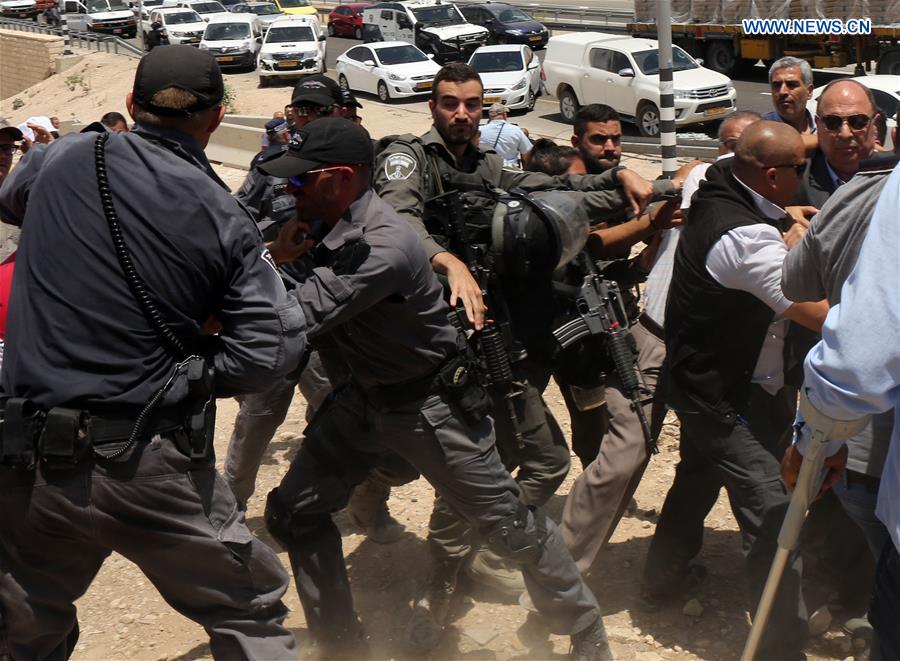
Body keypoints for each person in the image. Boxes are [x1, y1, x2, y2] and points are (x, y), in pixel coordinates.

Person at [258, 116, 615, 661]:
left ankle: (585, 630)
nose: (290, 188)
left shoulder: (381, 245)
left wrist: (266, 262)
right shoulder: (321, 225)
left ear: (340, 178)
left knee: (512, 529)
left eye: (302, 179)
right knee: (295, 512)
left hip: (426, 407)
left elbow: (284, 319)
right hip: (364, 397)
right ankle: (341, 642)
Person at [0, 45, 305, 659]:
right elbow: (269, 353)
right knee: (246, 611)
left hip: (31, 462)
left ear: (131, 105)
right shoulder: (223, 214)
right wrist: (194, 365)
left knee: (23, 622)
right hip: (149, 462)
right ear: (216, 118)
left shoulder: (58, 157)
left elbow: (13, 200)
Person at [373, 62, 662, 635]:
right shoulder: (411, 157)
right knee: (488, 456)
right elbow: (395, 222)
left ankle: (472, 544)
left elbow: (549, 190)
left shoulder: (485, 164)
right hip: (434, 338)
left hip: (490, 334)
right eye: (451, 103)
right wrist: (446, 259)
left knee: (519, 457)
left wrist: (620, 179)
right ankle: (443, 573)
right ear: (433, 106)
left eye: (472, 104)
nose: (462, 113)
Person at [642, 121, 831, 660]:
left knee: (696, 481)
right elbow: (817, 315)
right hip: (728, 397)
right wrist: (797, 241)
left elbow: (749, 161)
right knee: (775, 515)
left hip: (712, 382)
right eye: (799, 170)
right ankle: (779, 649)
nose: (805, 177)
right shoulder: (747, 240)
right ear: (772, 177)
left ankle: (662, 578)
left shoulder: (715, 176)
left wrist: (787, 214)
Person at [560, 111, 763, 577]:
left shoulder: (768, 203)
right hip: (653, 340)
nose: (737, 155)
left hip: (710, 359)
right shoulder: (697, 182)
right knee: (620, 460)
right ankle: (559, 577)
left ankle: (664, 576)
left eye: (749, 147)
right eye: (730, 144)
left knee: (700, 469)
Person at [780, 163, 900, 661]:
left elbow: (859, 354)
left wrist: (814, 440)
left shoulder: (867, 194)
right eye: (831, 121)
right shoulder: (848, 196)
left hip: (860, 439)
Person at [792, 78, 879, 208]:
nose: (845, 134)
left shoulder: (893, 179)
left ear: (875, 125)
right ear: (819, 125)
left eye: (858, 122)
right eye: (832, 122)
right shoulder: (793, 182)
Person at [763, 56, 818, 154]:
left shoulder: (825, 122)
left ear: (809, 92)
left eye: (791, 84)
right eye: (776, 85)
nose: (782, 92)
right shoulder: (762, 128)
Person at [570, 103, 622, 174]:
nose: (610, 148)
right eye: (599, 139)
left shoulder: (627, 181)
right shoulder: (560, 182)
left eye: (615, 138)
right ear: (576, 142)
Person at [478, 102, 532, 167]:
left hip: (487, 168)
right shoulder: (516, 130)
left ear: (490, 116)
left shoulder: (480, 130)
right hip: (510, 170)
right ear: (504, 114)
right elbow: (527, 153)